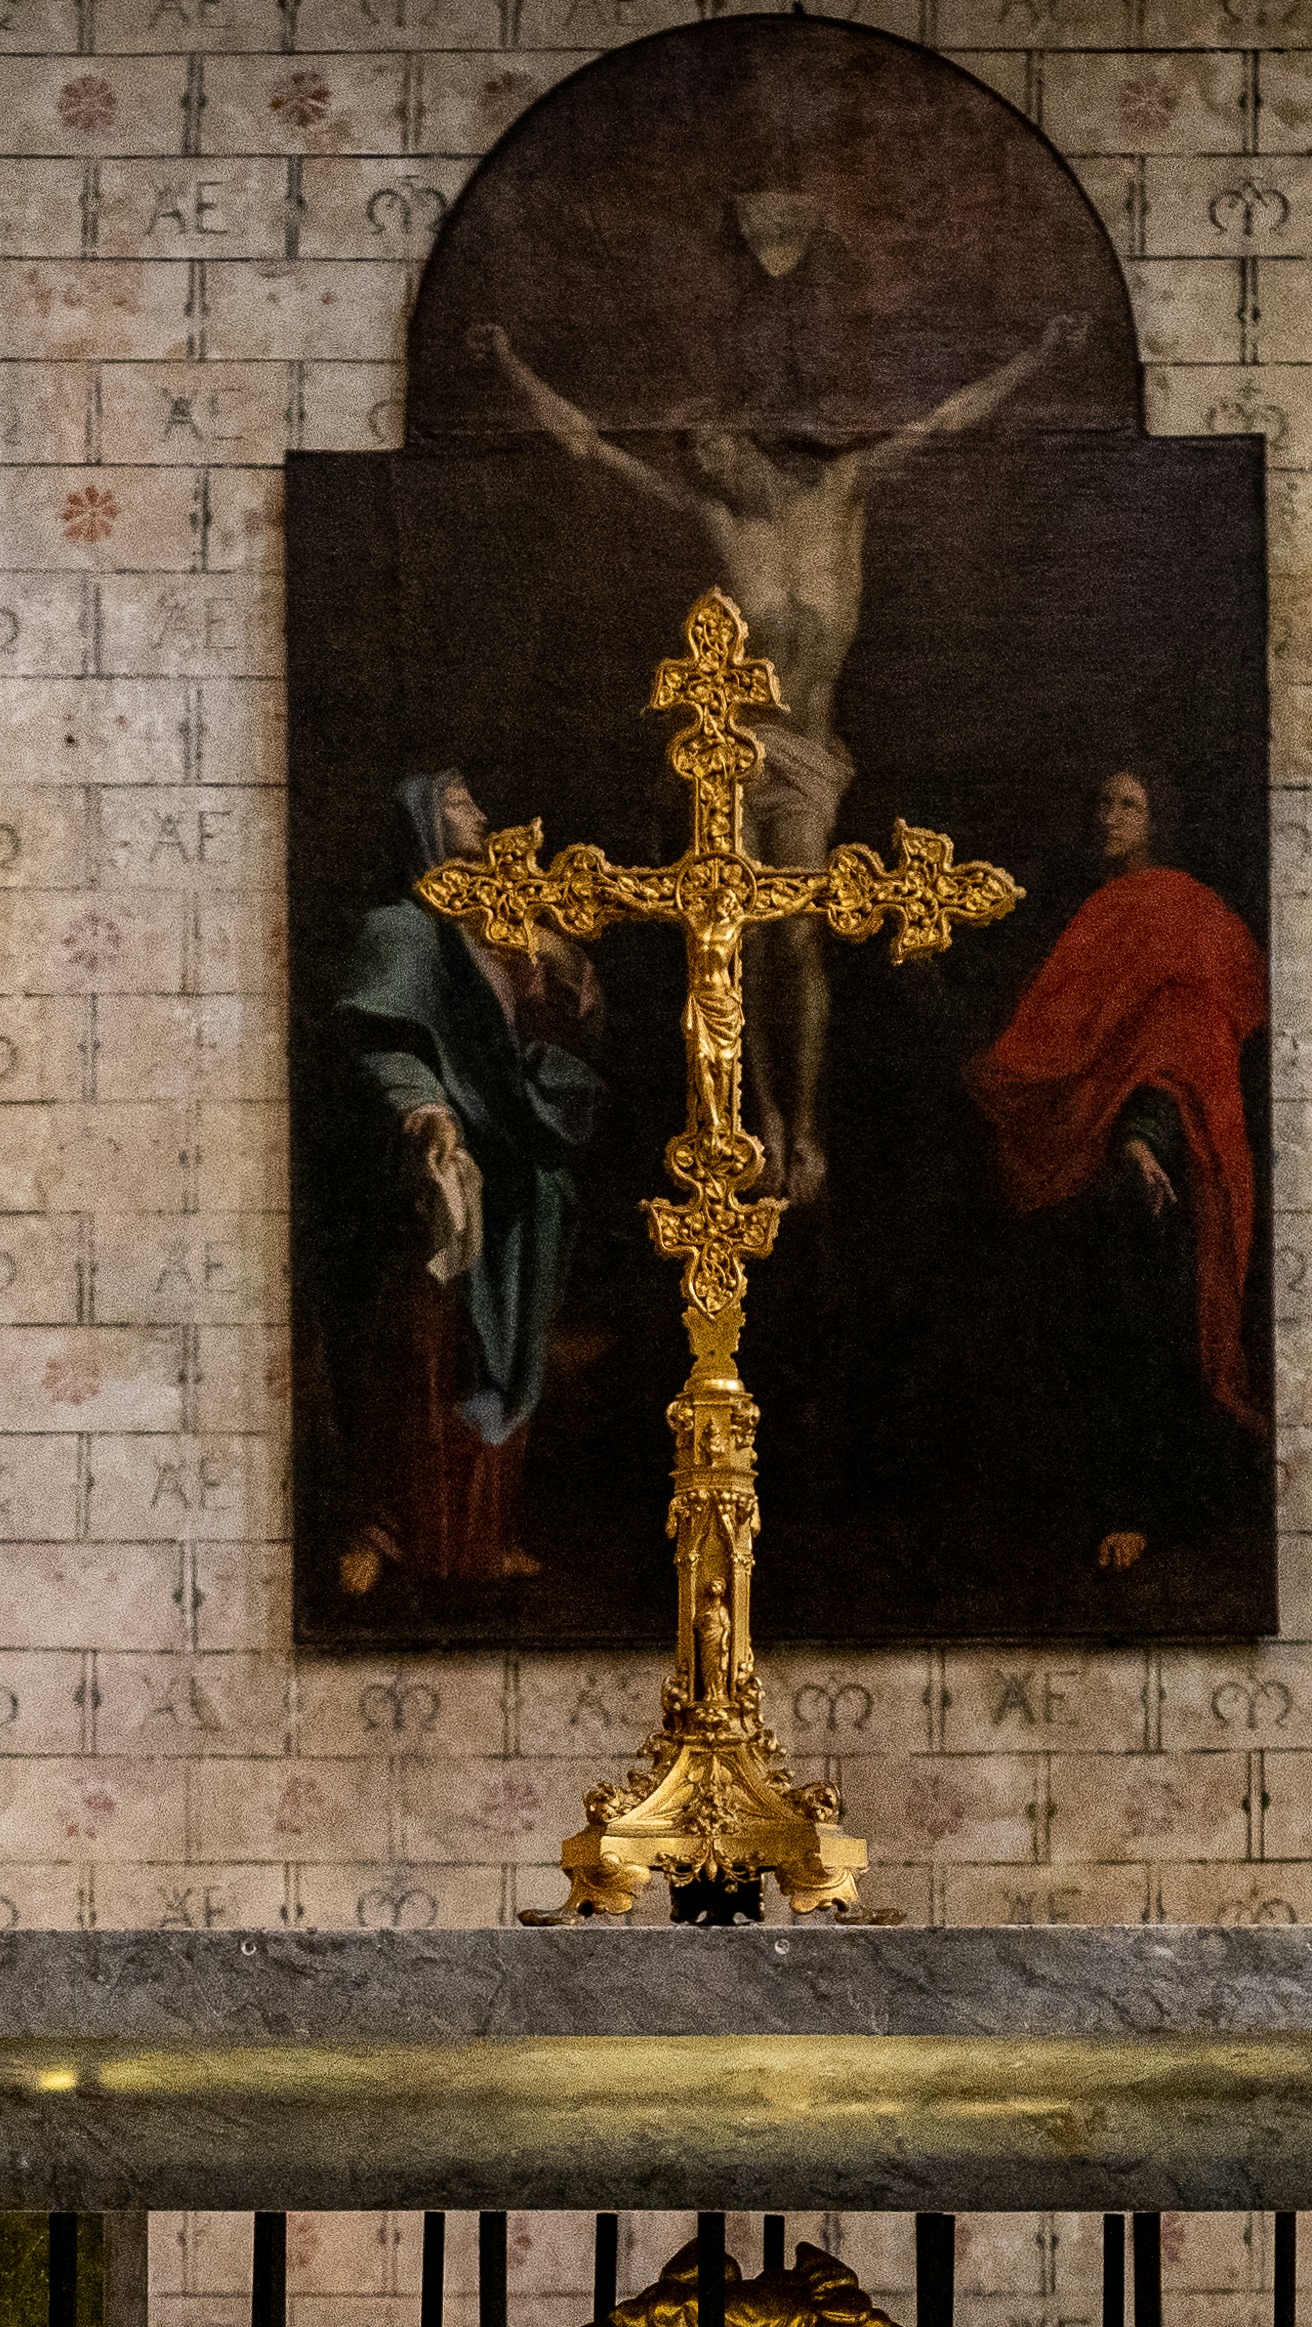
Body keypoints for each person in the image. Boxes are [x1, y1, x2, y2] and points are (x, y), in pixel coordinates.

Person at [473, 312, 1076, 1207]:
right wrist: (508, 362)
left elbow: (947, 420)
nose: (707, 466)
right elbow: (591, 448)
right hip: (733, 755)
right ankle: (759, 1121)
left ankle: (810, 1126)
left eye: (715, 446)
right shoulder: (714, 521)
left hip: (809, 759)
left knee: (798, 937)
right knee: (737, 939)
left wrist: (1037, 354)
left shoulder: (843, 491)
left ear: (750, 439)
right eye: (694, 458)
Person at [967, 764, 1267, 1568]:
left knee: (1139, 1320)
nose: (1109, 815)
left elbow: (1185, 1035)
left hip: (1159, 1155)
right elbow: (1064, 1034)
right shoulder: (1095, 908)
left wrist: (1143, 1135)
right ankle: (1086, 1499)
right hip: (1089, 1145)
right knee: (1069, 1318)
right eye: (1102, 800)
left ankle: (1134, 1506)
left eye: (1129, 804)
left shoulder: (1180, 909)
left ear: (1158, 817)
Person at [337, 769, 603, 1598]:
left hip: (518, 1166)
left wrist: (555, 965)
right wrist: (423, 1110)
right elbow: (382, 1041)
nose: (480, 813)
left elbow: (560, 1033)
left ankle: (483, 1536)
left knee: (509, 1351)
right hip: (444, 1168)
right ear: (422, 822)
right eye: (458, 802)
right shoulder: (401, 928)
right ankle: (387, 1528)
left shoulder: (502, 922)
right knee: (429, 1348)